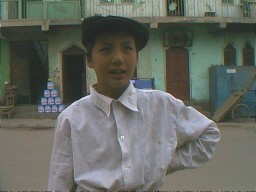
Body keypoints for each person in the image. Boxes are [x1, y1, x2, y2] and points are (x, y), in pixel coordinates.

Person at [48, 15, 220, 191]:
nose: (118, 58)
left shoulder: (162, 105)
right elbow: (59, 182)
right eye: (106, 49)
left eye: (127, 48)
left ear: (137, 57)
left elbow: (209, 134)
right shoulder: (71, 119)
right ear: (90, 59)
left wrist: (164, 163)